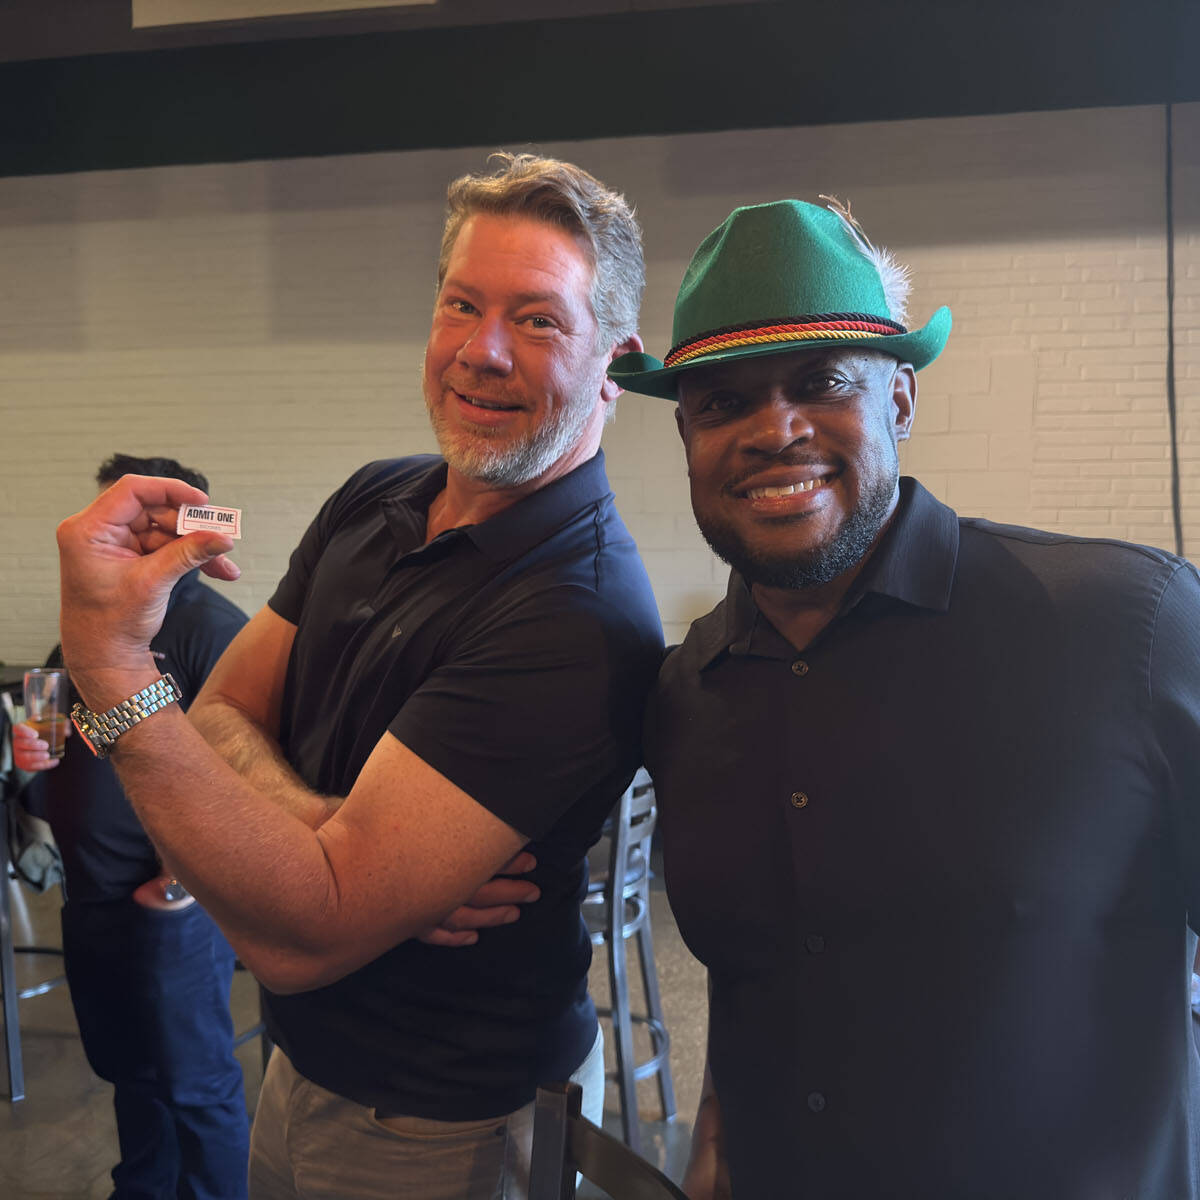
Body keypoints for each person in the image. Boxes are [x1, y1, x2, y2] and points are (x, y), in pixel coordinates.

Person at [51, 153, 664, 1200]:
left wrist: (111, 668)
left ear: (615, 358)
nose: (482, 352)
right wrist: (332, 841)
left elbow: (299, 936)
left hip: (445, 1123)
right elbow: (220, 715)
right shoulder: (377, 496)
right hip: (296, 1069)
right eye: (461, 305)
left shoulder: (579, 612)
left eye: (540, 321)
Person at [609, 198, 1200, 1198]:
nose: (774, 429)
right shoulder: (688, 688)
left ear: (901, 400)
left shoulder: (1126, 628)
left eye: (821, 382)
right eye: (724, 401)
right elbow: (754, 986)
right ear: (685, 436)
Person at [14, 452, 251, 1200]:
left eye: (155, 526)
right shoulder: (86, 628)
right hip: (92, 898)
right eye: (122, 522)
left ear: (194, 534)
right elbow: (51, 733)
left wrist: (179, 885)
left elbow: (248, 776)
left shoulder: (214, 627)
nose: (131, 541)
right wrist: (29, 752)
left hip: (171, 907)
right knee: (128, 1071)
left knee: (195, 1079)